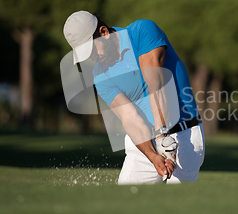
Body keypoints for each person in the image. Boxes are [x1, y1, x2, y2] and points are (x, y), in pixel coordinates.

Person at [63, 11, 205, 184]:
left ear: (104, 33)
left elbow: (156, 85)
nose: (92, 58)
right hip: (144, 143)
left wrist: (162, 136)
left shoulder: (141, 31)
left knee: (177, 204)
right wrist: (153, 156)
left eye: (91, 50)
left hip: (184, 135)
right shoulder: (100, 76)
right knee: (126, 201)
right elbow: (130, 118)